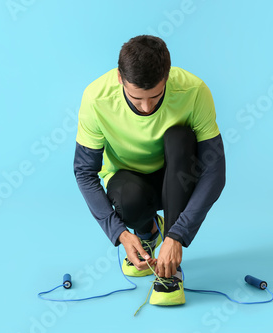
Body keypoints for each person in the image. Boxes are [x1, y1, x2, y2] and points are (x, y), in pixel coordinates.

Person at [73, 35, 226, 306]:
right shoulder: (96, 98)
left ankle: (170, 268)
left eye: (155, 97)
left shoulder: (194, 90)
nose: (146, 107)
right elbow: (85, 172)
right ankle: (148, 233)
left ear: (167, 77)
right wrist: (119, 232)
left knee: (179, 138)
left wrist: (178, 235)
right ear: (120, 79)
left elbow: (214, 170)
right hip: (129, 183)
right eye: (136, 98)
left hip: (178, 179)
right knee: (127, 201)